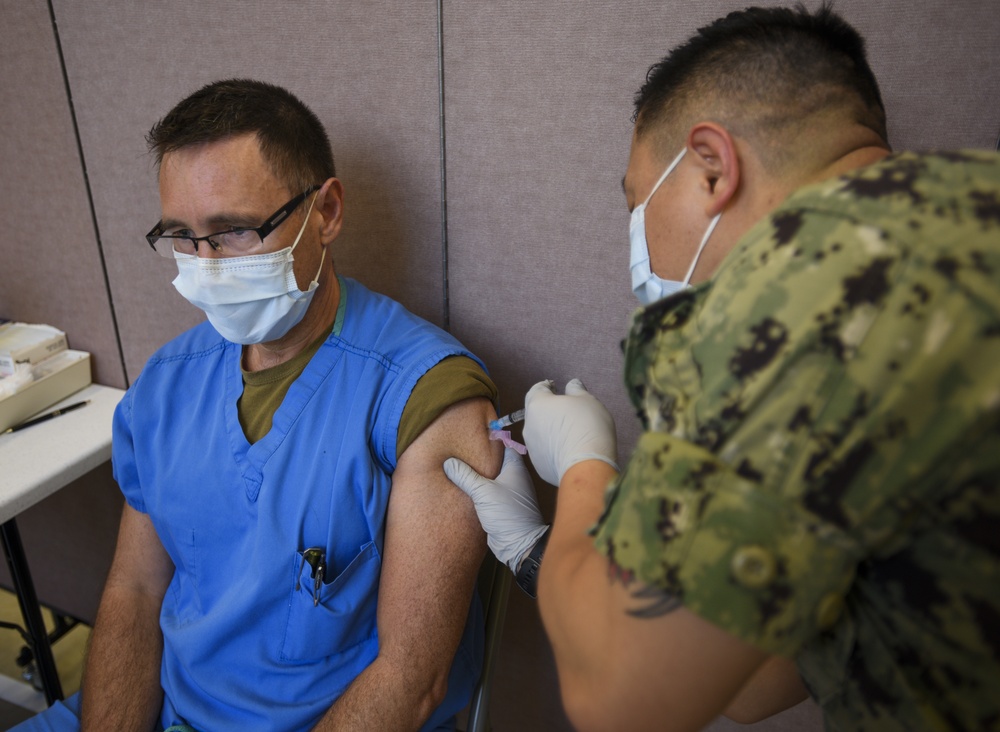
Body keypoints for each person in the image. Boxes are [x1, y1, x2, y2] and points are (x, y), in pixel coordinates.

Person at [444, 4, 1000, 731]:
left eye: (639, 203)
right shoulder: (963, 212)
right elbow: (740, 678)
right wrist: (537, 551)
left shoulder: (811, 287)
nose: (637, 249)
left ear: (711, 166)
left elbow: (624, 697)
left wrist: (585, 468)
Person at [17, 79, 502, 732]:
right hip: (168, 708)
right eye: (183, 237)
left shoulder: (425, 398)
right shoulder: (165, 387)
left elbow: (412, 677)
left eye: (235, 230)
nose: (206, 265)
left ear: (326, 212)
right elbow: (134, 595)